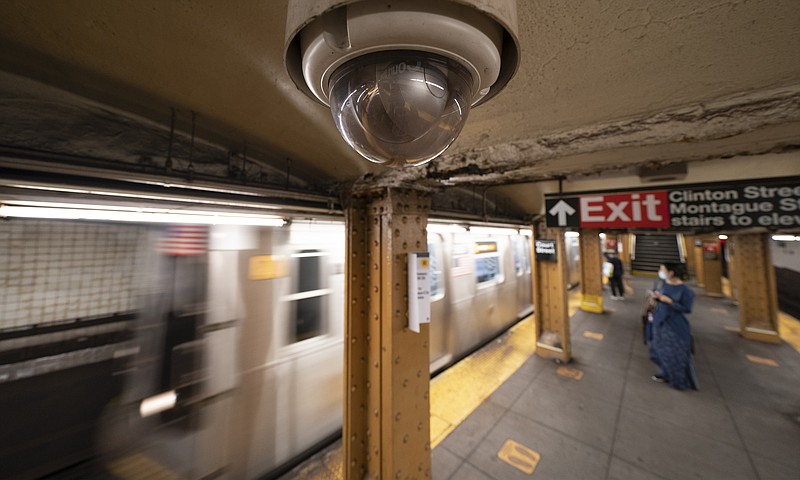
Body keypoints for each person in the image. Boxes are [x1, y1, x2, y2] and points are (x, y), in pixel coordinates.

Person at [647, 262, 698, 390]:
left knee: (675, 353)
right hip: (659, 320)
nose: (660, 271)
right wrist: (655, 299)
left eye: (662, 269)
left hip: (675, 325)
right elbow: (659, 299)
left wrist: (669, 301)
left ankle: (678, 379)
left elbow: (687, 309)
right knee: (658, 348)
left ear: (671, 273)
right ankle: (664, 372)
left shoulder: (686, 291)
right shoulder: (662, 284)